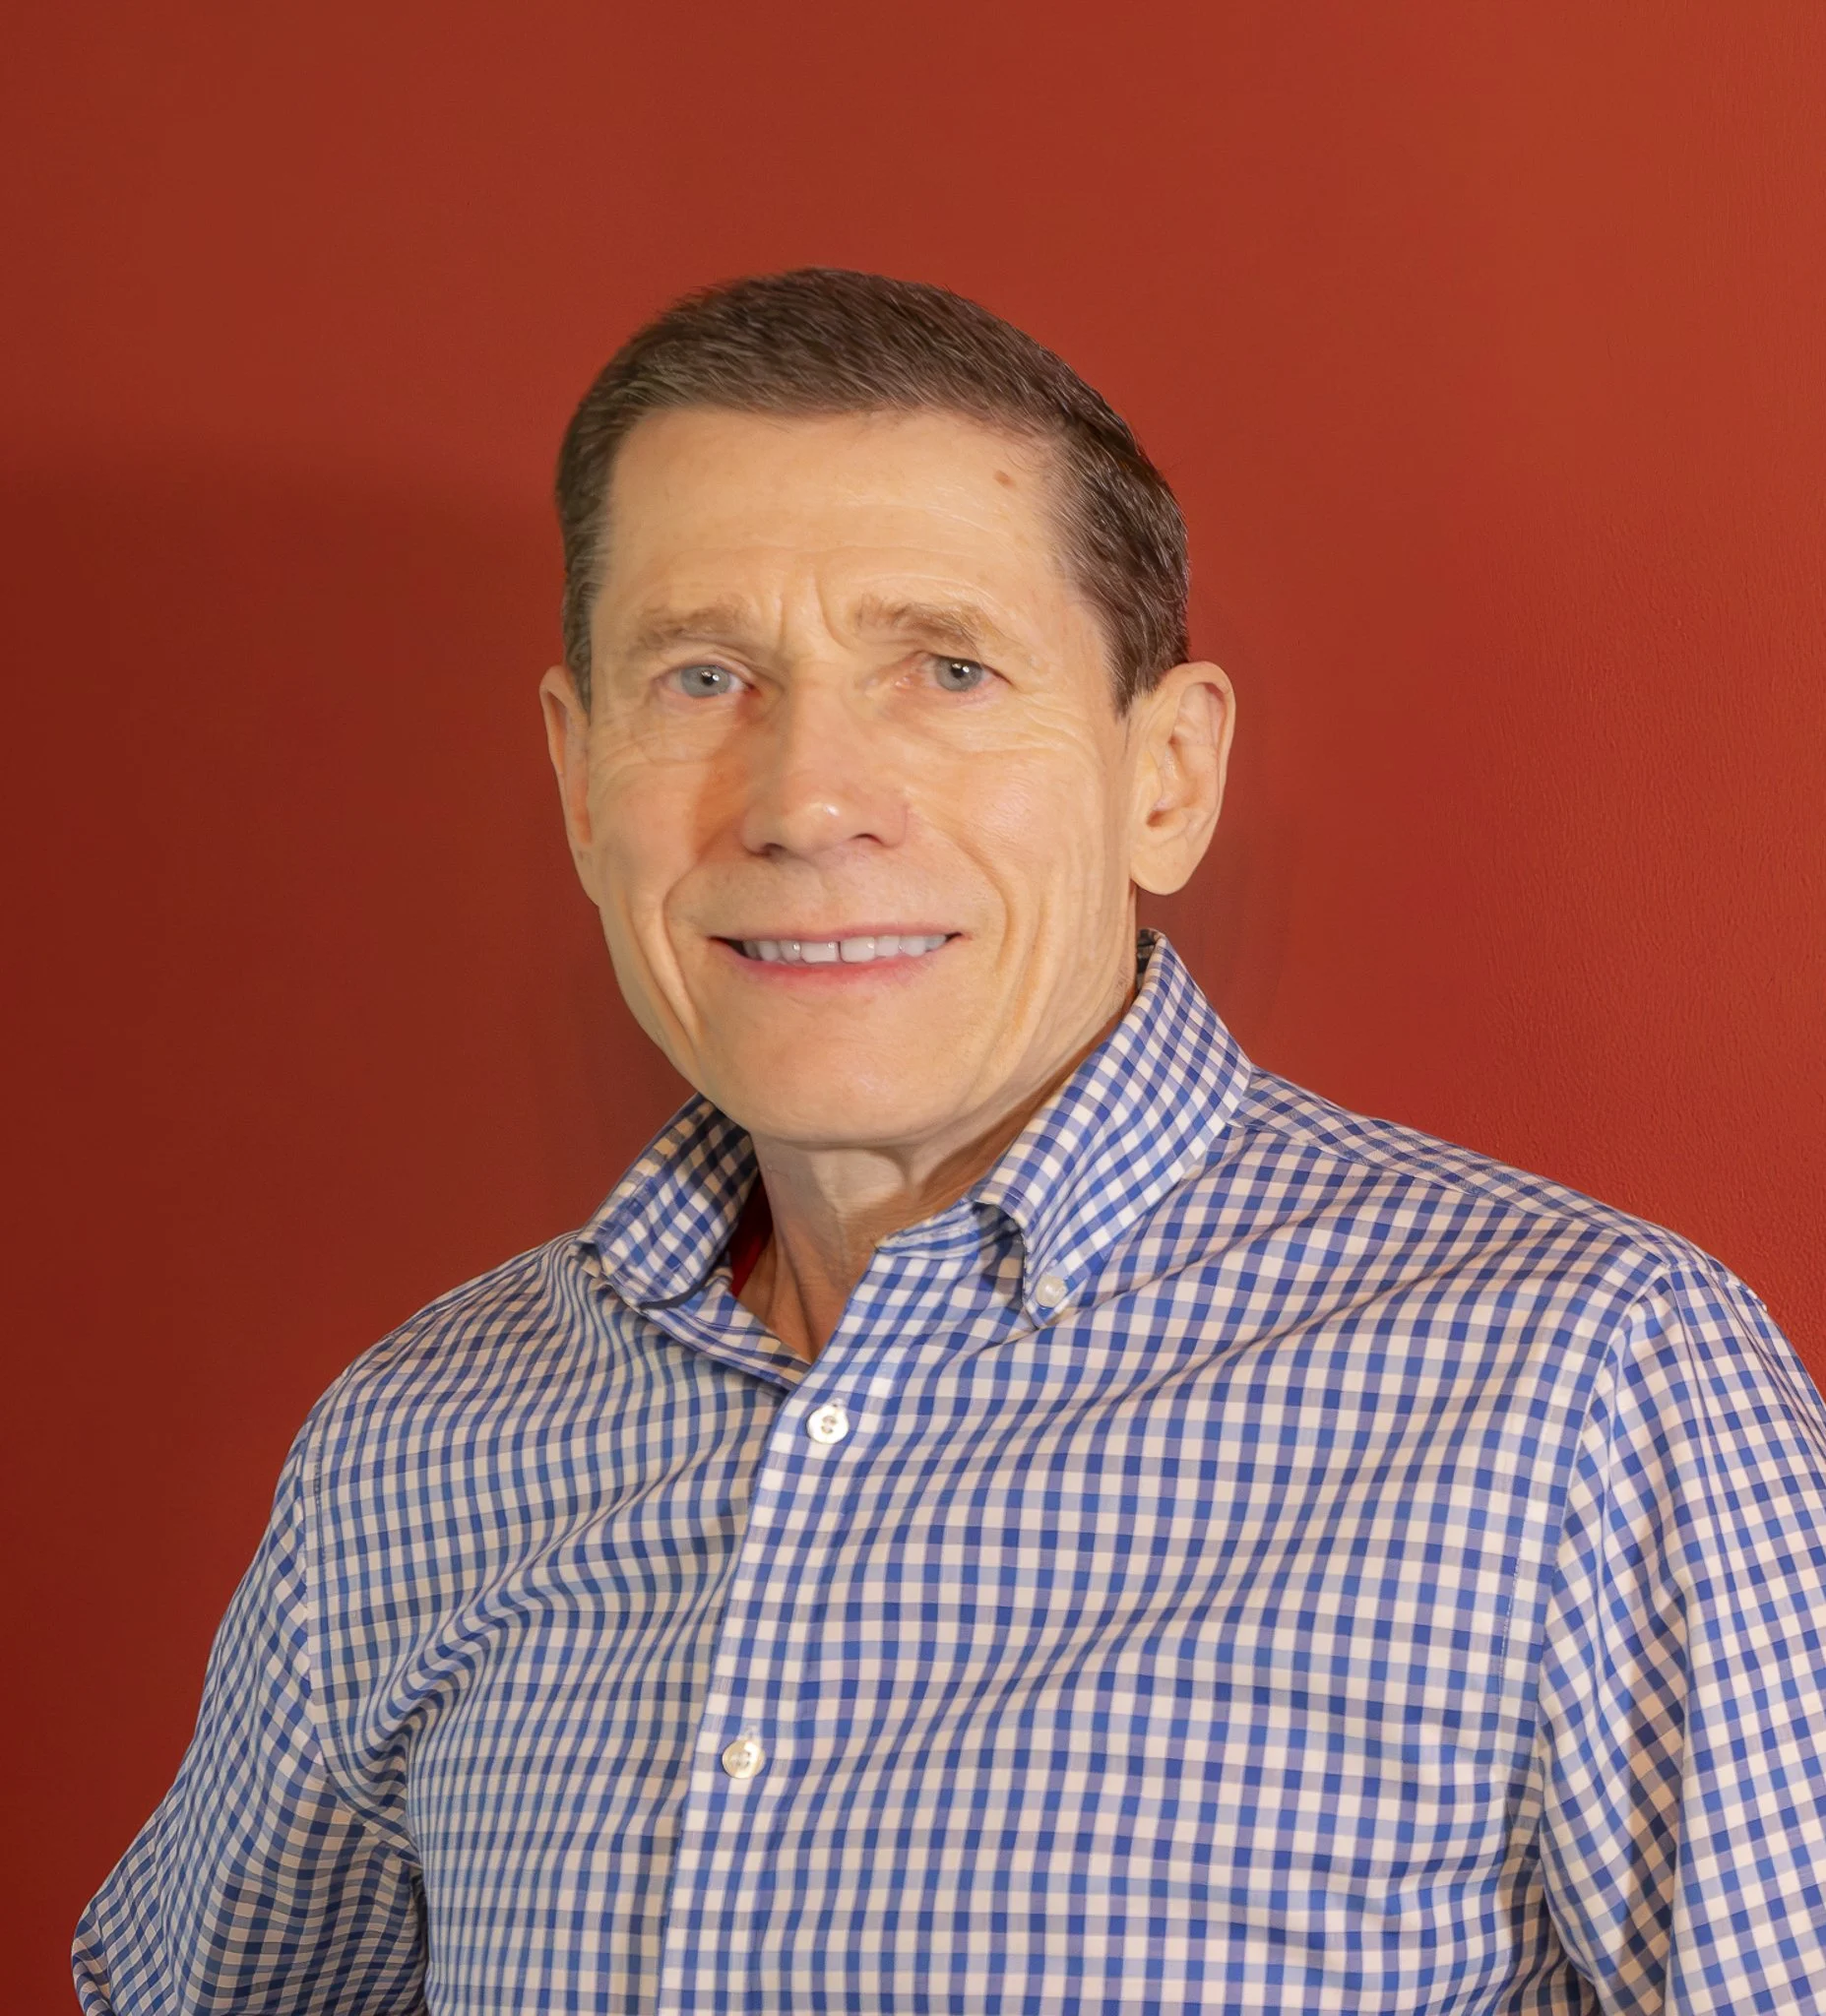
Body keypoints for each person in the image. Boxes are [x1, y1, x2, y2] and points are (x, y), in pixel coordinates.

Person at [75, 269, 1826, 2015]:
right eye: (702, 677)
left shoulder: (1588, 1389)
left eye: (949, 668)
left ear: (1166, 776)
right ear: (576, 775)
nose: (803, 799)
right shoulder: (410, 1451)